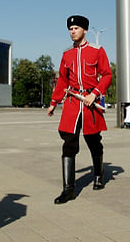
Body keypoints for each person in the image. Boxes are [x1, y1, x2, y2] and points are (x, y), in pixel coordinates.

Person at [47, 15, 113, 204]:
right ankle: (68, 189)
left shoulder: (97, 51)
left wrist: (96, 92)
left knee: (93, 140)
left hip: (90, 102)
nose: (72, 31)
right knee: (69, 143)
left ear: (84, 30)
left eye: (76, 28)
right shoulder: (66, 54)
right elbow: (62, 79)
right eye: (70, 29)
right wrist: (54, 102)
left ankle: (99, 175)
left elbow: (107, 75)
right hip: (73, 102)